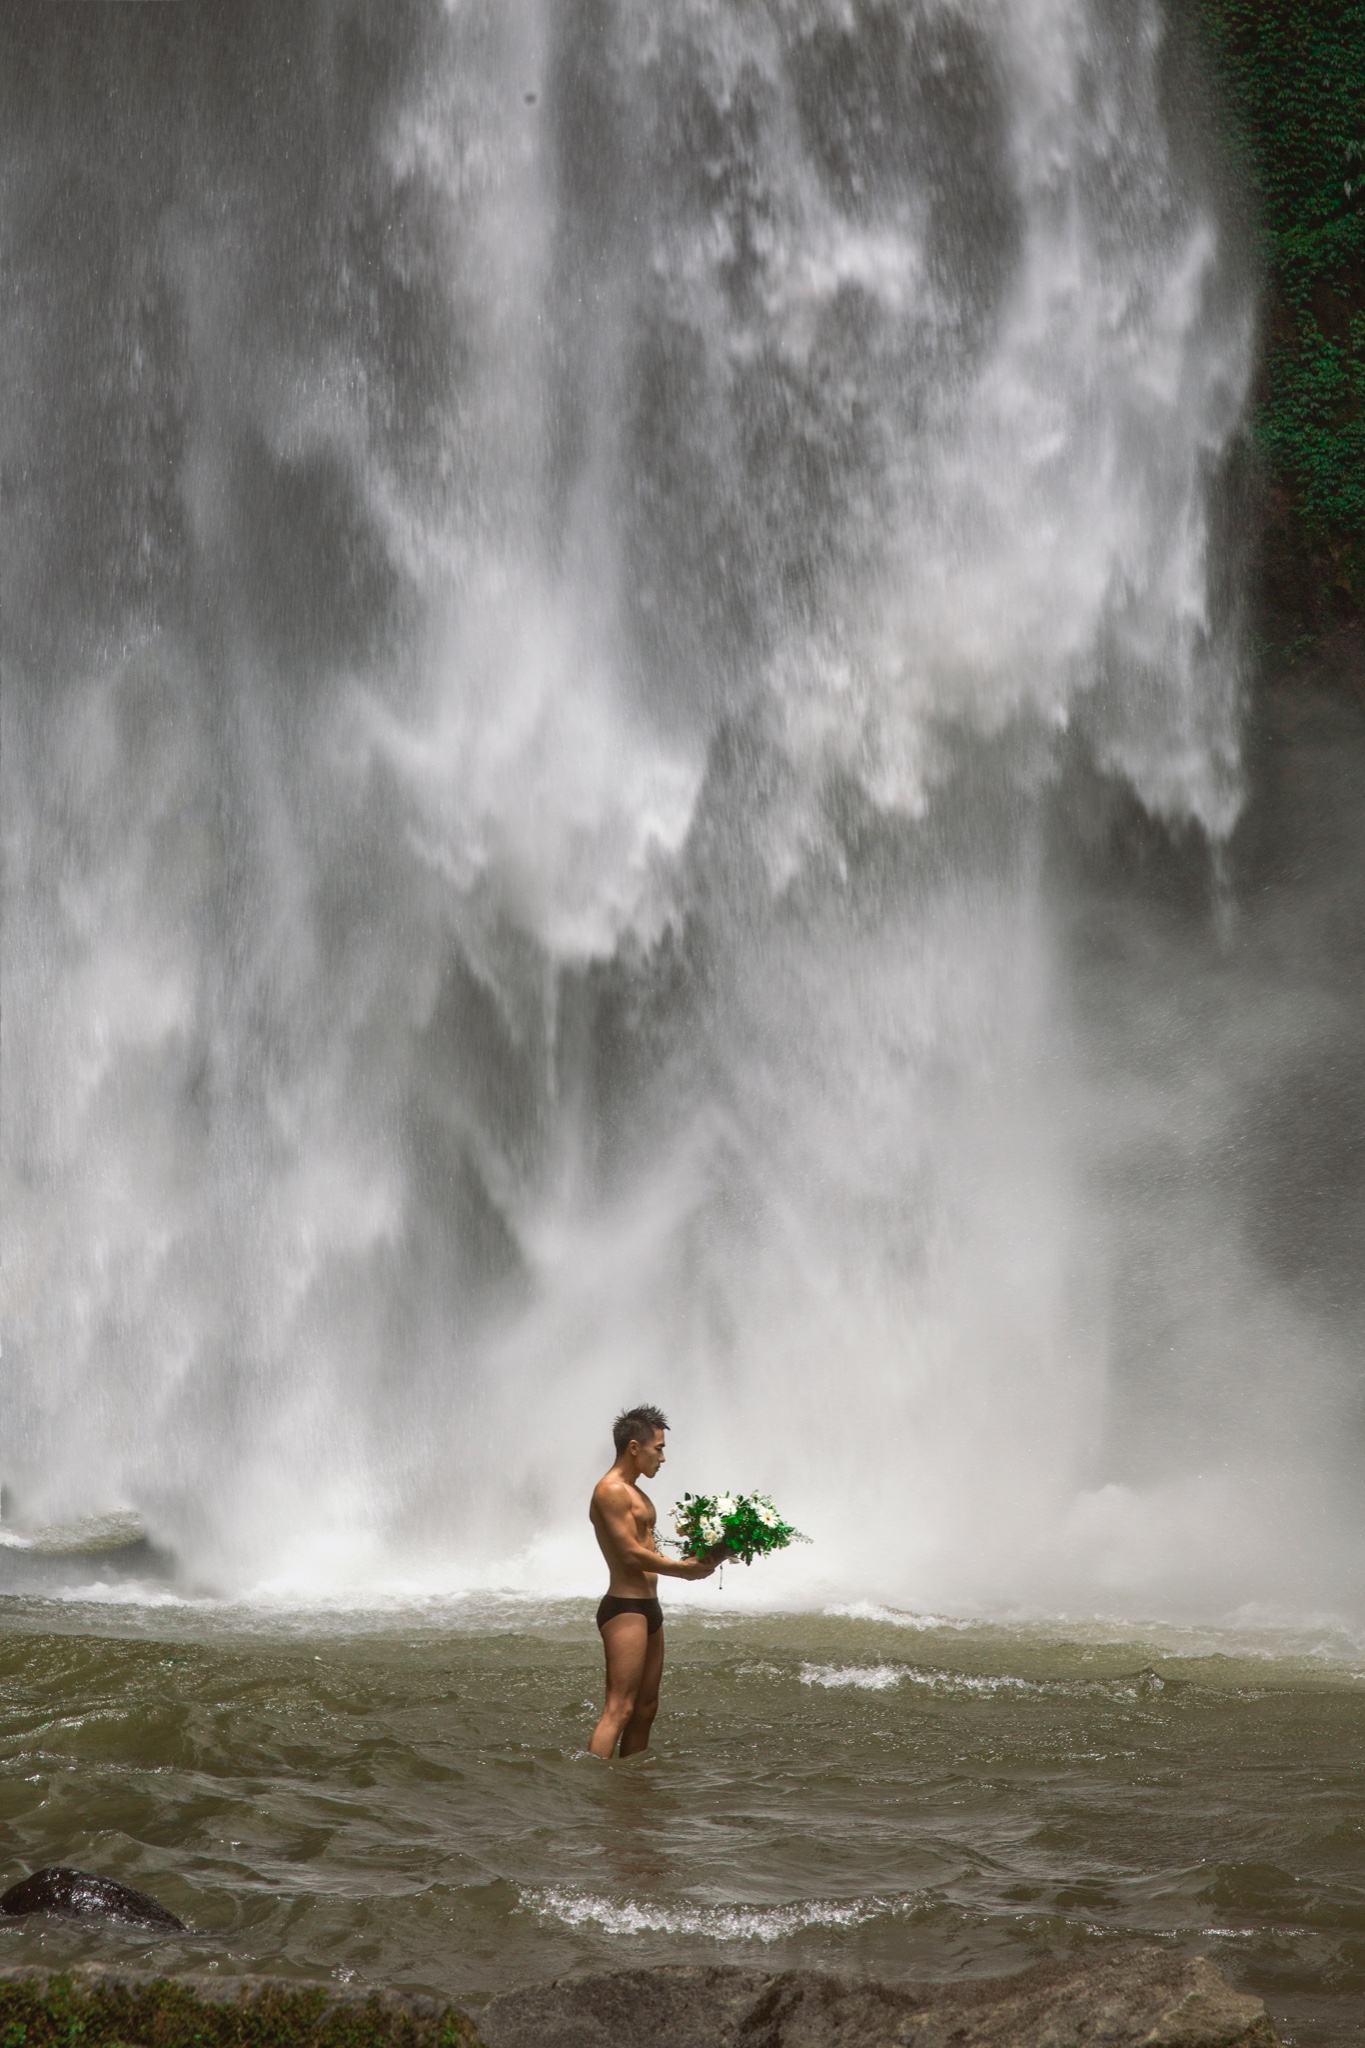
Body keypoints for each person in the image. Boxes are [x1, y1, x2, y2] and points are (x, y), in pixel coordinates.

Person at [588, 1404, 717, 1758]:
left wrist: (711, 1552)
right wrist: (681, 1569)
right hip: (625, 1607)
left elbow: (648, 1547)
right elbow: (629, 1554)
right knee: (620, 1708)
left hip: (648, 1607)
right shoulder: (610, 1490)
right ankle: (593, 1792)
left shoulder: (636, 1492)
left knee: (646, 1708)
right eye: (658, 1449)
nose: (662, 1458)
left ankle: (631, 1791)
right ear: (634, 1447)